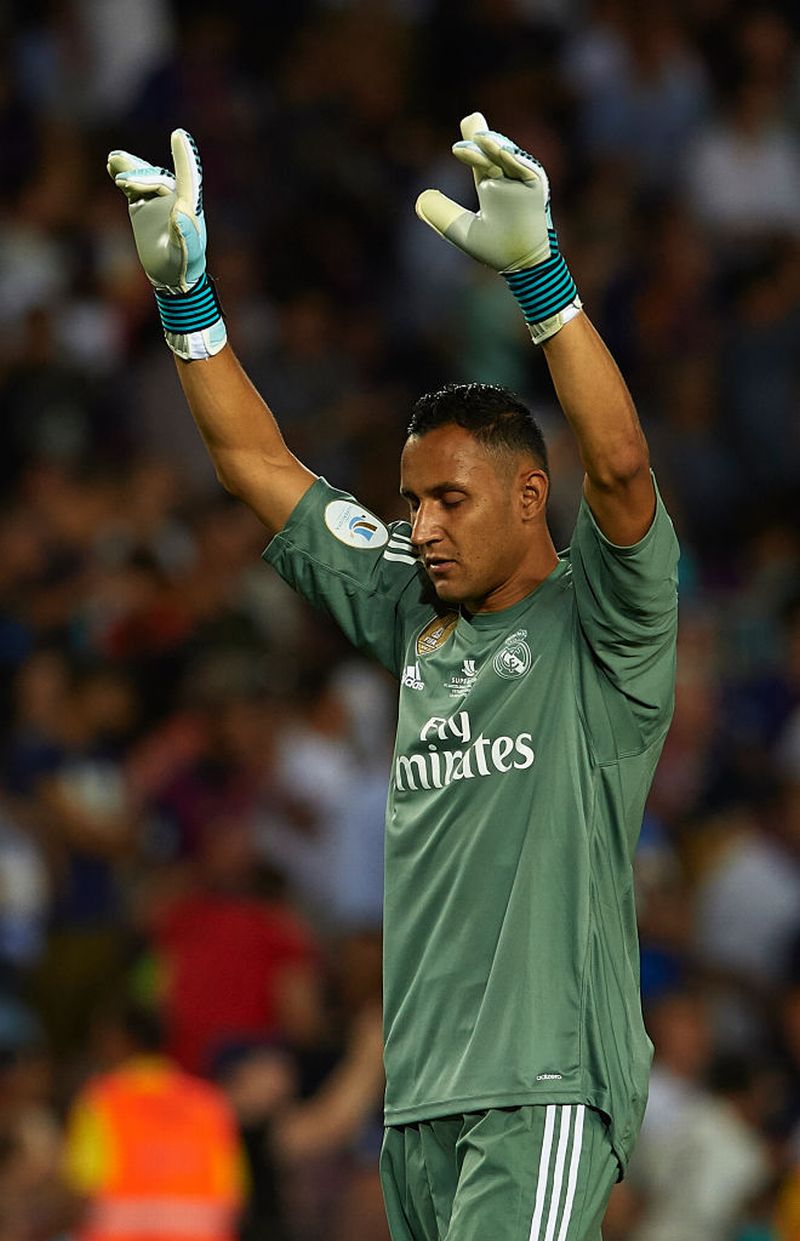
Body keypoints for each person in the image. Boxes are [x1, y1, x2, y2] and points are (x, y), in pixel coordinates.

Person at [107, 112, 679, 1241]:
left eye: (448, 500)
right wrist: (185, 299)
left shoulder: (606, 623)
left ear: (529, 498)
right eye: (411, 501)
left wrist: (542, 281)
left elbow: (618, 466)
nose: (419, 527)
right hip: (417, 1099)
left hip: (542, 1082)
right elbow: (254, 463)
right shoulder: (411, 601)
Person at [61, 999, 245, 1241]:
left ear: (119, 1039)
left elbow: (80, 1193)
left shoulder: (101, 1102)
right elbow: (234, 1197)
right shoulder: (209, 1102)